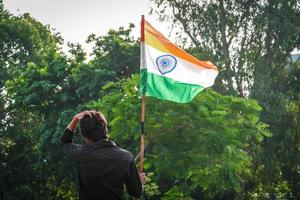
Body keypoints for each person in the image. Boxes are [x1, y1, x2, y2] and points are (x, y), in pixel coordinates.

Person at [60, 110, 142, 200]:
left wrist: (75, 119)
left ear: (85, 137)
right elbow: (136, 193)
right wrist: (139, 182)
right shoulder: (126, 157)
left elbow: (64, 142)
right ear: (105, 129)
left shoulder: (82, 154)